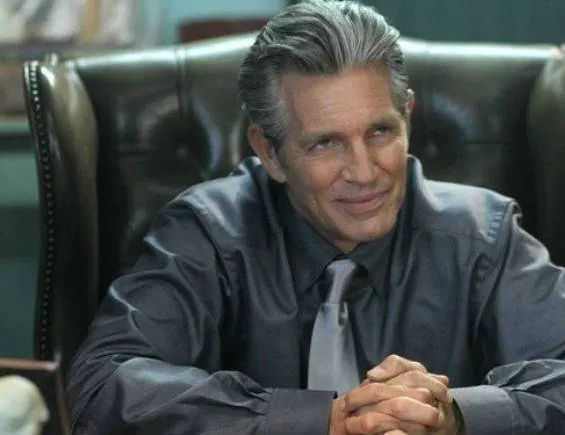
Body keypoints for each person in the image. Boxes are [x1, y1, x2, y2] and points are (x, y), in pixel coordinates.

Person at [66, 0, 565, 434]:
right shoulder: (208, 232)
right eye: (326, 143)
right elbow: (101, 384)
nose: (364, 172)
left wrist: (454, 415)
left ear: (407, 118)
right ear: (270, 152)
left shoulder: (485, 235)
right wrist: (322, 421)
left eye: (380, 132)